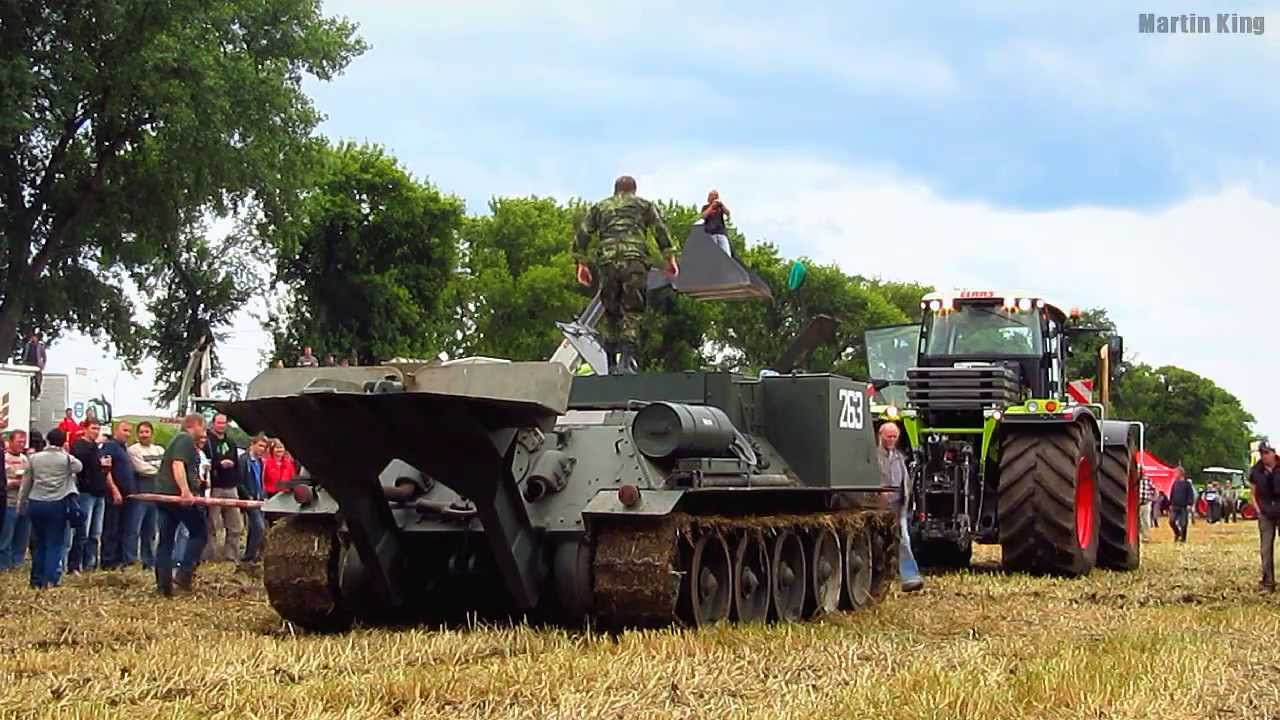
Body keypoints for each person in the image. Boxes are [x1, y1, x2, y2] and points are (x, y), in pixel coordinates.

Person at [572, 175, 679, 375]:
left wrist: (581, 263)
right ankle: (626, 363)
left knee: (611, 312)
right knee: (632, 311)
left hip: (608, 262)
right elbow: (660, 230)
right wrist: (669, 258)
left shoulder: (600, 207)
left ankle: (611, 365)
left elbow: (583, 234)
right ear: (634, 190)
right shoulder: (644, 205)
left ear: (615, 190)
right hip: (634, 262)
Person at [153, 414, 210, 595]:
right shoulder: (184, 439)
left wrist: (197, 482)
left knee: (166, 540)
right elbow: (177, 465)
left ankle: (164, 587)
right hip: (177, 497)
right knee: (200, 533)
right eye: (203, 428)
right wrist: (185, 491)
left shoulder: (178, 440)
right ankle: (184, 574)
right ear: (195, 425)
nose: (203, 433)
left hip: (164, 496)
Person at [18, 428, 81, 588]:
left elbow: (27, 483)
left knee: (38, 543)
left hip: (36, 502)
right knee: (54, 543)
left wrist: (21, 503)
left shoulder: (34, 458)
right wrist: (66, 452)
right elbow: (78, 467)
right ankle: (50, 579)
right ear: (63, 442)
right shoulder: (66, 459)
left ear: (47, 440)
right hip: (57, 504)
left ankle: (36, 579)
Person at [877, 422, 923, 592]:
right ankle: (881, 577)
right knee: (880, 542)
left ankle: (910, 577)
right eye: (888, 436)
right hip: (879, 508)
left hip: (898, 507)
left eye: (894, 437)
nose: (891, 439)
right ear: (880, 436)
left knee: (904, 539)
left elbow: (906, 482)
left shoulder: (899, 457)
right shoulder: (874, 458)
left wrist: (907, 499)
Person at [68, 420, 118, 572]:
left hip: (100, 492)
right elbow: (80, 463)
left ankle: (90, 565)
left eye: (98, 429)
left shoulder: (97, 447)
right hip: (86, 492)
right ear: (85, 429)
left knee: (95, 533)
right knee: (82, 531)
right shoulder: (79, 445)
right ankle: (75, 565)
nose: (96, 432)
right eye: (93, 428)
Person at [203, 414, 243, 562]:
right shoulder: (207, 442)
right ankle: (211, 558)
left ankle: (231, 557)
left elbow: (237, 464)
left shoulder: (231, 441)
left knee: (235, 526)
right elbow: (203, 462)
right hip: (215, 487)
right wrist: (219, 465)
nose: (221, 425)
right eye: (218, 423)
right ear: (213, 423)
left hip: (231, 487)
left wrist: (239, 486)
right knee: (212, 525)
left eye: (224, 423)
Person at [128, 421, 164, 569]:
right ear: (138, 434)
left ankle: (148, 561)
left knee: (150, 531)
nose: (144, 435)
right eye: (141, 432)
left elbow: (164, 466)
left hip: (155, 493)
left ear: (151, 433)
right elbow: (142, 469)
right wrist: (157, 468)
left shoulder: (159, 449)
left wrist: (156, 469)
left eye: (146, 432)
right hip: (140, 492)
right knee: (134, 529)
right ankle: (131, 561)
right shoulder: (133, 450)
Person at [1248, 440, 1279, 592]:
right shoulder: (1255, 471)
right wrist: (1258, 511)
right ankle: (1268, 582)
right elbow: (1253, 493)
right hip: (1265, 513)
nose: (1264, 456)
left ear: (1274, 453)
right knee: (1265, 549)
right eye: (1262, 453)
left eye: (1266, 452)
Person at [3, 430, 32, 570]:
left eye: (23, 442)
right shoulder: (4, 458)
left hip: (24, 503)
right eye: (19, 442)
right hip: (9, 502)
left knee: (22, 537)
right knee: (6, 537)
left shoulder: (25, 459)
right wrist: (12, 483)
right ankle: (4, 565)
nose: (21, 444)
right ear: (10, 441)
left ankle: (17, 564)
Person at [238, 434, 268, 563]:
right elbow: (239, 480)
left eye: (264, 447)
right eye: (260, 445)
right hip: (249, 499)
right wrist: (247, 496)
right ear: (252, 444)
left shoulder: (260, 461)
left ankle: (250, 556)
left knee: (255, 528)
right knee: (259, 527)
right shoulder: (243, 460)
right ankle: (249, 556)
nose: (262, 449)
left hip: (259, 498)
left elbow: (260, 480)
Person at [700, 189, 732, 256]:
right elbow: (703, 216)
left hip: (721, 233)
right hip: (710, 234)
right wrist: (712, 206)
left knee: (727, 253)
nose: (710, 197)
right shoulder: (705, 207)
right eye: (710, 195)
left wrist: (721, 204)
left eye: (713, 195)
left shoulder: (720, 207)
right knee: (712, 254)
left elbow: (728, 213)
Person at [1169, 466, 1195, 543]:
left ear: (1181, 474)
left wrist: (1189, 504)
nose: (1175, 474)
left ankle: (1183, 539)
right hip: (1175, 506)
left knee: (1183, 524)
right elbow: (1172, 494)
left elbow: (1190, 494)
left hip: (1184, 506)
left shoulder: (1187, 484)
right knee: (1172, 521)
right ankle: (1177, 534)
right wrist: (1170, 503)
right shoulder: (1175, 483)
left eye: (1176, 473)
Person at [1138, 470, 1156, 542]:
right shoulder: (1136, 480)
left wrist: (1152, 498)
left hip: (1146, 503)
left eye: (1141, 471)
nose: (1140, 472)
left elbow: (1154, 489)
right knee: (1139, 521)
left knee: (1146, 520)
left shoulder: (1148, 480)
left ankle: (1147, 537)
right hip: (1138, 504)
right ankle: (1141, 536)